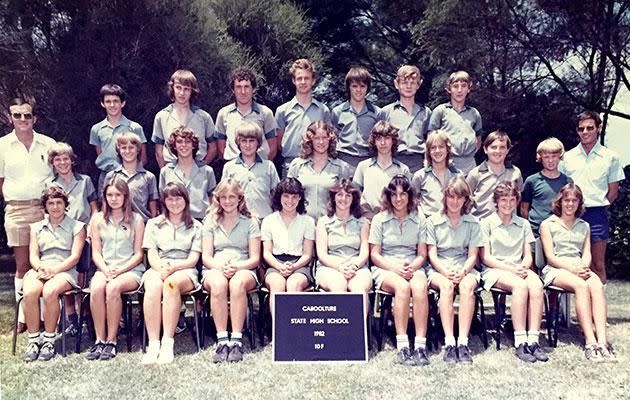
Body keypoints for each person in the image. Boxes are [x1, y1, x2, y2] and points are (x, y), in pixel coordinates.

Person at [539, 183, 616, 362]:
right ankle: (590, 342)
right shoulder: (548, 224)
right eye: (567, 200)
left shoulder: (584, 225)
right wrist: (572, 269)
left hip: (579, 267)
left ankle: (602, 342)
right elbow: (550, 257)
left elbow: (586, 252)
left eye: (575, 200)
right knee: (581, 286)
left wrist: (583, 267)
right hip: (557, 269)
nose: (570, 204)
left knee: (596, 285)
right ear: (560, 201)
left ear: (579, 203)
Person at [0, 96, 56, 335]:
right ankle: (23, 319)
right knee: (23, 265)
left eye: (27, 115)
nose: (22, 119)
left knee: (47, 262)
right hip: (17, 210)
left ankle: (44, 317)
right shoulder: (2, 146)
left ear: (35, 118)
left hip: (46, 210)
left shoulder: (48, 144)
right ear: (9, 117)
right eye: (17, 115)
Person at [480, 182, 548, 363]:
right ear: (496, 202)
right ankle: (520, 341)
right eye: (503, 200)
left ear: (517, 201)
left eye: (512, 199)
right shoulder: (486, 223)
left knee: (536, 285)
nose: (508, 204)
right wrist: (512, 270)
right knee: (520, 286)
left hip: (519, 268)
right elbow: (486, 257)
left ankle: (533, 339)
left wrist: (524, 267)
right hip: (496, 270)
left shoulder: (523, 224)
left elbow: (527, 256)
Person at [369, 175, 429, 366]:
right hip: (386, 267)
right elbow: (375, 255)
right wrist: (395, 268)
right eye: (394, 194)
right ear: (388, 196)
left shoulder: (419, 219)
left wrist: (413, 266)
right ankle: (403, 345)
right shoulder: (379, 220)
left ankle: (420, 345)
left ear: (409, 196)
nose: (398, 198)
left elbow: (422, 254)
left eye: (403, 194)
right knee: (402, 288)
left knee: (419, 287)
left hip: (412, 265)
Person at [21, 186, 86, 361]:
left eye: (59, 202)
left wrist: (55, 270)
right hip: (41, 268)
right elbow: (33, 256)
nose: (55, 207)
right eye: (51, 203)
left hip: (65, 270)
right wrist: (40, 268)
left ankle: (49, 340)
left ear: (65, 204)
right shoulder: (36, 227)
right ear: (45, 206)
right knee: (29, 291)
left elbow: (74, 257)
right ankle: (34, 341)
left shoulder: (77, 227)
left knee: (50, 291)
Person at [559, 111, 625, 284]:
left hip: (596, 215)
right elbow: (562, 189)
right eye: (581, 129)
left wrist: (598, 207)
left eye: (590, 128)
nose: (585, 132)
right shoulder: (567, 157)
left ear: (598, 128)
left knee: (597, 265)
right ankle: (557, 311)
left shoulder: (611, 157)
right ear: (577, 131)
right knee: (564, 264)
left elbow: (613, 192)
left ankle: (597, 309)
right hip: (570, 215)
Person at [141, 182, 203, 364]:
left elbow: (193, 258)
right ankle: (153, 344)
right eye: (170, 199)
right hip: (159, 267)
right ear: (164, 201)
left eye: (178, 198)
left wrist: (173, 269)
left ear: (185, 200)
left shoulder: (196, 226)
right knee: (152, 286)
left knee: (171, 285)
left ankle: (168, 343)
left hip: (184, 269)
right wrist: (160, 268)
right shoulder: (153, 224)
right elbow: (151, 253)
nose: (174, 203)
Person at [86, 177, 145, 361]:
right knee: (96, 288)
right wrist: (105, 269)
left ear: (125, 196)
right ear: (104, 197)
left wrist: (118, 271)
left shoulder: (137, 219)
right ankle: (99, 339)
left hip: (130, 270)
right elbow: (96, 252)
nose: (114, 199)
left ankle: (111, 341)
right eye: (109, 195)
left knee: (112, 288)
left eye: (118, 194)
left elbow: (138, 255)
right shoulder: (97, 219)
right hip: (105, 268)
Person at [202, 179, 261, 363]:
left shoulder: (250, 222)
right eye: (224, 197)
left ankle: (236, 340)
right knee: (218, 284)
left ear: (239, 199)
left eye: (232, 197)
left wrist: (237, 267)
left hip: (243, 266)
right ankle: (221, 340)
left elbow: (255, 259)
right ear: (218, 199)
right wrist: (220, 267)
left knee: (237, 283)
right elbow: (206, 256)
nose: (228, 201)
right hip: (215, 266)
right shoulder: (210, 221)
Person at [426, 176, 482, 364]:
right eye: (451, 197)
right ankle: (450, 342)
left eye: (459, 197)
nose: (455, 202)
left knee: (467, 288)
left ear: (466, 199)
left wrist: (463, 272)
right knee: (447, 287)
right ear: (445, 198)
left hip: (464, 267)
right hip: (439, 268)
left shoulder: (473, 223)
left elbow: (473, 255)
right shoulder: (433, 221)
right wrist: (444, 272)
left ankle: (463, 343)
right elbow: (431, 254)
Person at [46, 142, 98, 336]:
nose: (62, 162)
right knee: (65, 274)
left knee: (83, 277)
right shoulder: (50, 185)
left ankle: (85, 317)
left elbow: (94, 208)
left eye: (65, 158)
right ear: (53, 162)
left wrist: (92, 228)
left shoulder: (84, 181)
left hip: (83, 232)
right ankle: (72, 318)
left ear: (72, 160)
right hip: (62, 234)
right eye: (57, 159)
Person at [315, 179, 371, 311]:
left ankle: (357, 330)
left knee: (359, 289)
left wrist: (354, 266)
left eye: (348, 195)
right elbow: (322, 254)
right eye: (340, 194)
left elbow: (364, 252)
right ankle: (338, 330)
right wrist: (340, 267)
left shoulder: (363, 222)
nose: (343, 199)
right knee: (338, 285)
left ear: (354, 199)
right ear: (333, 197)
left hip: (357, 267)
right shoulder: (323, 222)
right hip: (330, 267)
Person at [261, 177, 315, 315]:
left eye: (294, 197)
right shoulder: (269, 220)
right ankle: (278, 331)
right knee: (277, 285)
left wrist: (294, 267)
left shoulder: (307, 221)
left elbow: (308, 254)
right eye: (286, 196)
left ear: (300, 198)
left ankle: (294, 331)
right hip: (275, 264)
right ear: (279, 197)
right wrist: (279, 267)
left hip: (299, 264)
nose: (290, 201)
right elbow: (266, 253)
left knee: (294, 285)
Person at [275, 58, 331, 176]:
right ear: (293, 81)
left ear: (313, 80)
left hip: (317, 165)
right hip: (290, 165)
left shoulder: (323, 110)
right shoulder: (282, 111)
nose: (303, 82)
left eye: (307, 78)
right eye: (299, 78)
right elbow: (279, 142)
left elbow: (328, 138)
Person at [89, 83, 147, 197]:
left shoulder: (135, 127)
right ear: (102, 103)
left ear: (123, 103)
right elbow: (100, 154)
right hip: (106, 176)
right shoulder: (96, 129)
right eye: (108, 101)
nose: (112, 105)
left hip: (130, 175)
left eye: (116, 101)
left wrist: (132, 173)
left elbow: (143, 157)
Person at [152, 69, 216, 168]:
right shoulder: (162, 116)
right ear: (172, 88)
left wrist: (202, 167)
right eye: (178, 87)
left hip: (197, 168)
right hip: (172, 169)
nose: (182, 93)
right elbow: (158, 150)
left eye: (186, 89)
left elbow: (213, 147)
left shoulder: (203, 117)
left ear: (192, 91)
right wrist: (165, 171)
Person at [287, 121, 351, 220]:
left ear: (330, 139)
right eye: (316, 138)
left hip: (330, 223)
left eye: (324, 138)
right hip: (301, 222)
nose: (321, 142)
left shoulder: (341, 167)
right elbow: (288, 196)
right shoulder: (297, 165)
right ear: (309, 140)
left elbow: (347, 199)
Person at [215, 67, 278, 162]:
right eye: (238, 87)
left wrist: (262, 166)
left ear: (253, 88)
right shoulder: (223, 113)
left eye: (247, 86)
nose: (243, 92)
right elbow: (220, 147)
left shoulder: (265, 113)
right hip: (233, 168)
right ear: (233, 89)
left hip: (259, 168)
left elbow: (273, 147)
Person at [221, 122, 279, 220]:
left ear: (258, 142)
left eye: (252, 141)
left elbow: (277, 195)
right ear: (238, 143)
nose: (248, 145)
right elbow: (224, 195)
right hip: (239, 219)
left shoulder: (268, 166)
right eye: (244, 141)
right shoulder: (229, 167)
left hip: (265, 218)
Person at [353, 120, 411, 219]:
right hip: (367, 219)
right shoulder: (363, 166)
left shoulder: (402, 169)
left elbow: (408, 198)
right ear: (374, 142)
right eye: (379, 138)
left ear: (393, 141)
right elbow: (354, 195)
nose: (383, 143)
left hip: (393, 220)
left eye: (387, 138)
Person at [428, 71, 482, 175]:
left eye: (463, 86)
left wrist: (469, 152)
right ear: (449, 89)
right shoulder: (441, 111)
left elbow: (478, 140)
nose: (460, 90)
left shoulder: (474, 113)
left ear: (469, 89)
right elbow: (431, 140)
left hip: (470, 165)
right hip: (447, 164)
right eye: (455, 86)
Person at [379, 65, 431, 173]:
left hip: (418, 162)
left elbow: (429, 141)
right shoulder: (386, 112)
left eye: (412, 83)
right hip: (394, 161)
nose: (408, 86)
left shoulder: (426, 112)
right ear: (396, 84)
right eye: (404, 83)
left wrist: (427, 163)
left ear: (419, 84)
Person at [159, 126, 216, 220]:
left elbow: (213, 199)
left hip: (201, 220)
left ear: (193, 145)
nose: (183, 145)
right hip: (175, 221)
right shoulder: (166, 171)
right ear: (174, 145)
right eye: (179, 142)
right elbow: (163, 200)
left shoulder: (206, 171)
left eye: (188, 142)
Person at [331, 67, 381, 173]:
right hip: (343, 161)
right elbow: (333, 139)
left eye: (363, 86)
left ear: (367, 88)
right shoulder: (338, 112)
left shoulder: (377, 112)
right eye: (354, 86)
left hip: (368, 161)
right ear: (348, 87)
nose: (359, 90)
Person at [521, 137, 572, 238]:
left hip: (560, 232)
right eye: (546, 157)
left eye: (554, 156)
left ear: (560, 157)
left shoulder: (567, 181)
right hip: (535, 232)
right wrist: (529, 231)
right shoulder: (532, 180)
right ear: (540, 158)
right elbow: (524, 208)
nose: (550, 160)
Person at [466, 130, 523, 220]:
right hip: (482, 225)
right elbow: (466, 200)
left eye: (502, 147)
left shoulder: (515, 172)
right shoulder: (475, 174)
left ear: (507, 150)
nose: (498, 151)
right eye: (493, 147)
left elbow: (518, 198)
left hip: (507, 225)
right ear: (485, 149)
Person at [105, 132, 159, 221]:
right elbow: (105, 204)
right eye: (123, 148)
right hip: (119, 225)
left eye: (131, 147)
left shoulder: (149, 177)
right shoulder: (111, 176)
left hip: (143, 223)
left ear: (138, 150)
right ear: (118, 150)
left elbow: (153, 204)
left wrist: (153, 225)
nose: (127, 151)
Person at [411, 130, 462, 217]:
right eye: (433, 148)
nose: (437, 151)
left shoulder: (457, 175)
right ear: (428, 152)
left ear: (447, 150)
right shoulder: (420, 176)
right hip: (427, 222)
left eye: (441, 147)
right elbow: (412, 202)